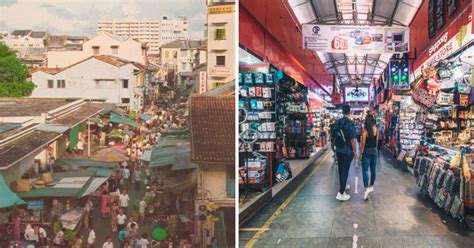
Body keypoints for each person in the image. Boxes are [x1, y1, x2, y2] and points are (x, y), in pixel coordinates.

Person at [333, 105, 357, 201]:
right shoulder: (350, 123)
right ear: (349, 112)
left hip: (338, 149)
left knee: (341, 169)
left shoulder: (338, 122)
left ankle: (344, 185)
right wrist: (355, 151)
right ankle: (341, 193)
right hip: (347, 150)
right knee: (345, 169)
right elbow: (352, 139)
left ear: (342, 112)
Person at [360, 114, 378, 200]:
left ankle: (366, 188)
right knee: (373, 169)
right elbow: (376, 142)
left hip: (366, 152)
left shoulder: (364, 131)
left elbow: (363, 144)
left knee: (365, 170)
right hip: (374, 151)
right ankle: (371, 185)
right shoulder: (375, 129)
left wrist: (360, 153)